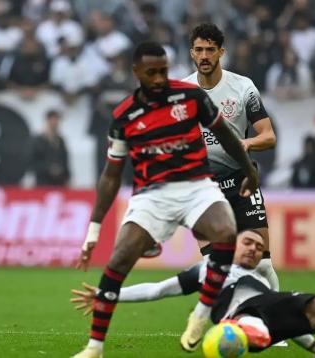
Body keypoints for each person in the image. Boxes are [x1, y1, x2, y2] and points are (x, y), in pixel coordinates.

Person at [71, 41, 259, 358]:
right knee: (117, 262)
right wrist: (93, 229)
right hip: (152, 197)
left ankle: (200, 315)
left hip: (196, 186)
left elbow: (226, 135)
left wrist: (248, 169)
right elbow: (111, 174)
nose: (159, 79)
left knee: (226, 233)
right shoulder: (124, 116)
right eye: (151, 72)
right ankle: (94, 348)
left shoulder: (191, 98)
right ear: (136, 72)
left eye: (163, 71)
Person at [71, 230, 315, 358]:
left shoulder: (263, 278)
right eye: (248, 243)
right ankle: (233, 336)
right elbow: (158, 290)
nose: (253, 250)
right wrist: (109, 296)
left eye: (258, 247)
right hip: (241, 314)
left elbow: (294, 328)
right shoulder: (208, 269)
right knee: (252, 322)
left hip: (269, 308)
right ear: (233, 244)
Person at [165, 23, 280, 291]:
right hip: (203, 190)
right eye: (199, 50)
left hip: (242, 183)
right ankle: (231, 321)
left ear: (221, 52)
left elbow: (268, 136)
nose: (204, 56)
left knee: (262, 264)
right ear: (192, 53)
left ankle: (277, 324)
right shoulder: (179, 92)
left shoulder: (243, 88)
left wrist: (244, 143)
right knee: (219, 266)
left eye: (210, 50)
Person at [31, 109, 71, 186]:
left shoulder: (60, 140)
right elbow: (34, 161)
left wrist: (67, 175)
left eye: (57, 120)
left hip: (59, 181)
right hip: (43, 181)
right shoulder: (38, 140)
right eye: (52, 120)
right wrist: (49, 169)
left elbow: (65, 160)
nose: (55, 123)